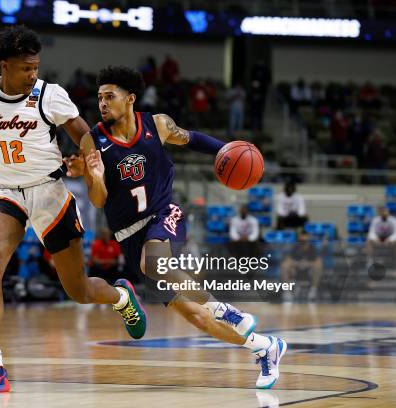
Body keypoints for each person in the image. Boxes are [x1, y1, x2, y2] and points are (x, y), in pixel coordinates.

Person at [0, 26, 146, 394]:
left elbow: (82, 130)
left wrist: (90, 159)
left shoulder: (50, 94)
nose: (33, 74)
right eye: (25, 68)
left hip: (50, 192)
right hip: (6, 193)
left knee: (78, 290)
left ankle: (122, 296)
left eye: (36, 67)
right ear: (4, 65)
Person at [65, 66, 286, 389]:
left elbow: (192, 139)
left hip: (163, 214)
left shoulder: (157, 124)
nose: (102, 103)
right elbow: (98, 201)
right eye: (99, 97)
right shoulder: (91, 141)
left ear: (130, 99)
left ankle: (226, 309)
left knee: (152, 263)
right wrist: (95, 178)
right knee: (196, 318)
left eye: (109, 96)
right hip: (128, 234)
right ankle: (266, 347)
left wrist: (228, 150)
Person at [280, 232, 322, 303]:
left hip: (309, 270)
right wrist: (297, 264)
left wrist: (308, 264)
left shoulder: (312, 248)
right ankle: (287, 291)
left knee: (318, 267)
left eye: (305, 241)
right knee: (284, 266)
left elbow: (318, 261)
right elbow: (288, 260)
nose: (303, 243)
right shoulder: (295, 247)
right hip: (296, 269)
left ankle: (313, 291)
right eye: (301, 241)